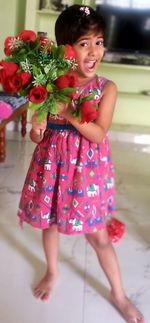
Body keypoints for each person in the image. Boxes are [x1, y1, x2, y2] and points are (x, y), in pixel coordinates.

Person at [18, 5, 144, 323]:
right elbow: (38, 133)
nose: (94, 51)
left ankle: (118, 294)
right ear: (66, 49)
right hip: (52, 168)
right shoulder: (50, 85)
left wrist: (69, 112)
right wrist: (36, 128)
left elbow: (99, 134)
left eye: (99, 42)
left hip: (86, 174)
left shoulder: (106, 90)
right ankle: (52, 270)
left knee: (99, 237)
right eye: (84, 43)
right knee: (51, 223)